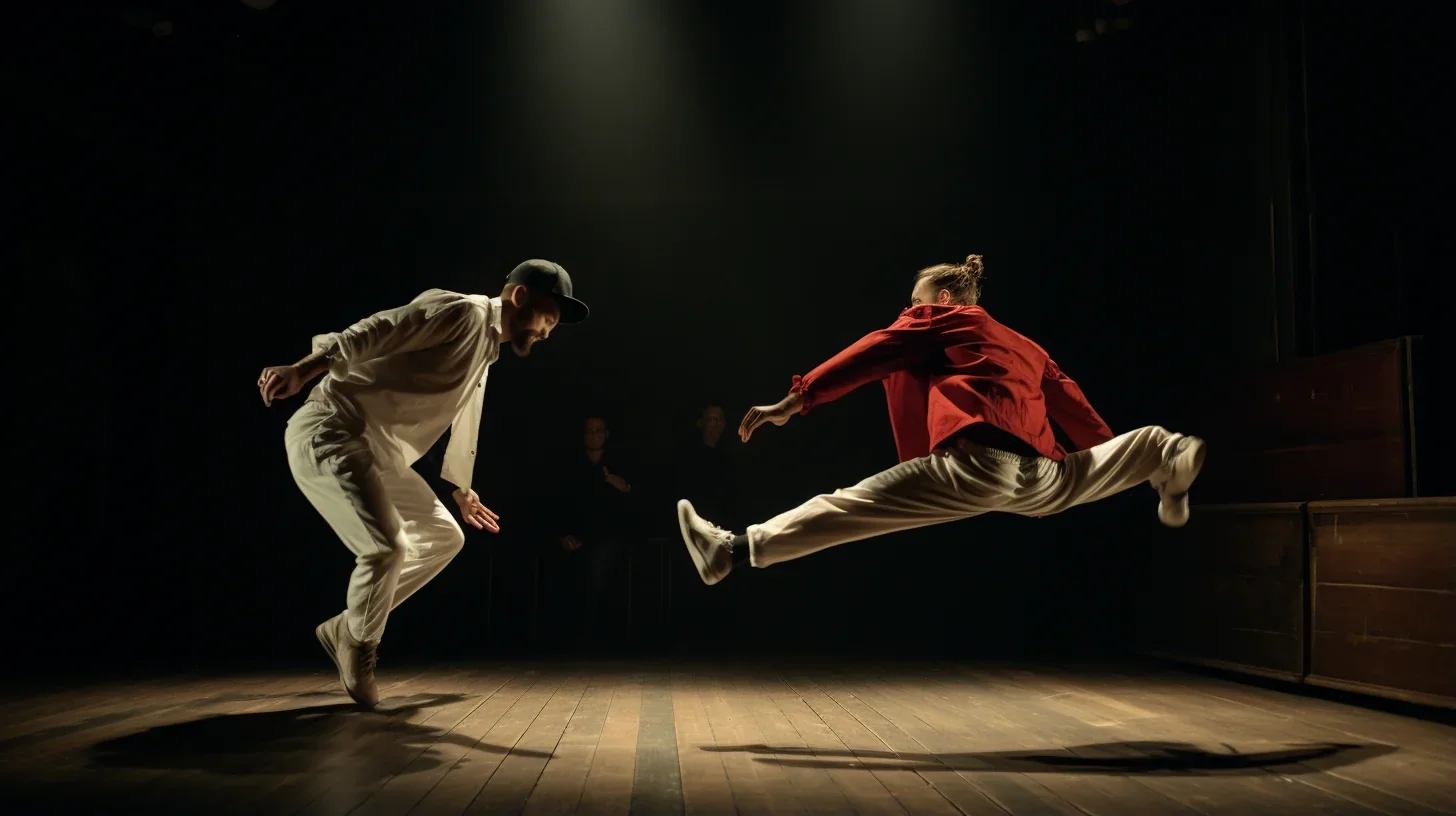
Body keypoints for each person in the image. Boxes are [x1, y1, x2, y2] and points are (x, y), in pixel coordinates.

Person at [676, 254, 1205, 585]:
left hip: (979, 465)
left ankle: (731, 550)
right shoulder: (1027, 345)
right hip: (1045, 481)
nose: (908, 311)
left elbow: (875, 351)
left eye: (914, 302)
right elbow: (1074, 405)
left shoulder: (944, 319)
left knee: (850, 506)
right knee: (1140, 443)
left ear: (943, 299)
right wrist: (1113, 466)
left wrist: (797, 399)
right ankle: (1167, 460)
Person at [258, 260, 588, 707]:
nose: (550, 329)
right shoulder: (465, 312)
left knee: (443, 537)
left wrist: (459, 489)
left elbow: (448, 423)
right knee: (386, 548)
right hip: (333, 428)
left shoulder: (486, 351)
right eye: (550, 315)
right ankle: (359, 642)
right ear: (519, 296)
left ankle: (348, 626)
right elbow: (380, 329)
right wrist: (305, 368)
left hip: (377, 451)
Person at [554, 416, 635, 648]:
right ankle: (567, 635)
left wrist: (624, 487)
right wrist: (563, 536)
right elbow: (560, 505)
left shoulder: (617, 463)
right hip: (576, 537)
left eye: (599, 431)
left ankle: (591, 635)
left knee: (599, 564)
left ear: (606, 434)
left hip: (608, 538)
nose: (594, 435)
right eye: (590, 431)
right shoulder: (572, 466)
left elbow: (633, 506)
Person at [678, 404, 738, 530]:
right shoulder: (687, 457)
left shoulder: (728, 461)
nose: (717, 424)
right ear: (700, 422)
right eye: (713, 419)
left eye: (720, 419)